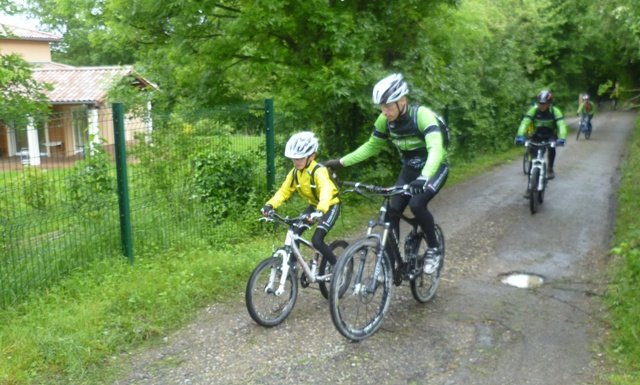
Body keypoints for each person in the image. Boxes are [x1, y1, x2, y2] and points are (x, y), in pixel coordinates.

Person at [324, 73, 448, 275]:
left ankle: (434, 249)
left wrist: (424, 176)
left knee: (417, 204)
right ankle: (391, 261)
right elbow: (371, 147)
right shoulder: (385, 120)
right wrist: (340, 162)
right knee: (392, 213)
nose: (385, 111)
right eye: (382, 107)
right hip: (409, 170)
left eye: (389, 106)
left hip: (434, 169)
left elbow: (435, 147)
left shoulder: (422, 116)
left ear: (402, 101)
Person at [261, 131, 341, 267]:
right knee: (294, 231)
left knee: (317, 240)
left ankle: (337, 267)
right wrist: (270, 205)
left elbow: (326, 191)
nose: (296, 162)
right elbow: (283, 191)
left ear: (311, 156)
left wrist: (320, 211)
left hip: (329, 206)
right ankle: (292, 267)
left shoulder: (318, 171)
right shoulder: (295, 173)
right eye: (294, 159)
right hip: (314, 206)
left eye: (299, 158)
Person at [515, 89, 568, 185]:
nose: (541, 105)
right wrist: (520, 135)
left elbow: (561, 125)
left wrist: (562, 138)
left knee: (552, 149)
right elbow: (525, 122)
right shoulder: (534, 110)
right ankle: (529, 187)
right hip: (537, 135)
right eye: (540, 103)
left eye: (544, 103)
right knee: (532, 160)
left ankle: (550, 168)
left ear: (549, 103)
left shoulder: (555, 111)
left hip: (550, 135)